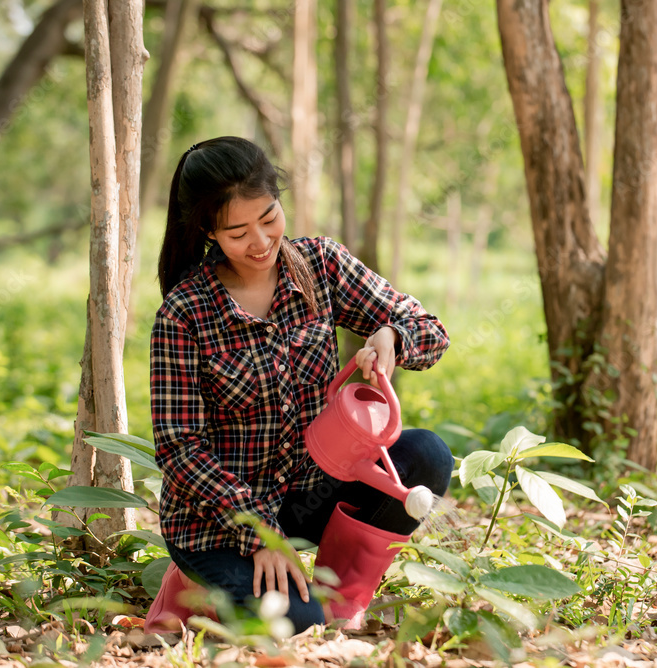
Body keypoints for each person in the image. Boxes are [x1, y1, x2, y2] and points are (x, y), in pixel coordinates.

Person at [143, 136, 453, 634]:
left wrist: (393, 336)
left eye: (269, 218)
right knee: (297, 627)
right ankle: (188, 588)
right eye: (238, 231)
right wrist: (259, 532)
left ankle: (341, 604)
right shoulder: (185, 313)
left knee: (426, 455)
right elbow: (180, 451)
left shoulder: (320, 267)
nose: (261, 242)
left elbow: (431, 330)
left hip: (312, 489)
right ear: (208, 231)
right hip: (221, 523)